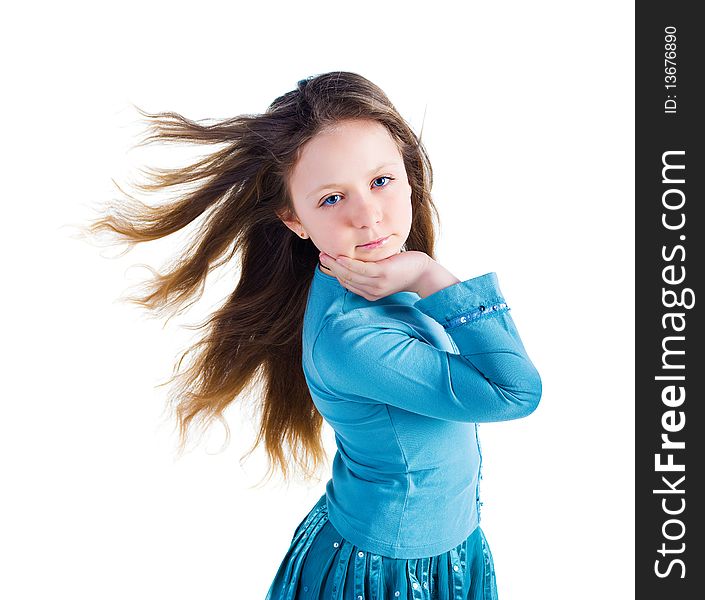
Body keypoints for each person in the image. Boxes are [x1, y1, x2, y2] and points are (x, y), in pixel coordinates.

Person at [84, 71, 541, 599]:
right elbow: (514, 392)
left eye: (381, 181)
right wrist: (432, 277)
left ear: (409, 174)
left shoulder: (383, 276)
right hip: (384, 575)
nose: (368, 216)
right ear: (294, 219)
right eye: (330, 199)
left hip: (445, 551)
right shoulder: (356, 337)